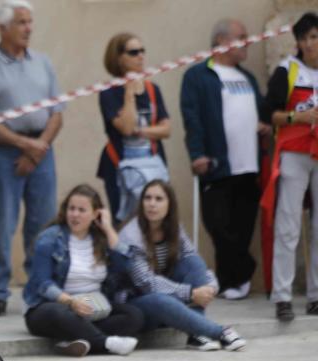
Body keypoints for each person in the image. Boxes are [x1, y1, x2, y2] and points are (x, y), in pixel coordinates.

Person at [0, 0, 64, 319]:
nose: (28, 28)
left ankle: (41, 288)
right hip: (3, 153)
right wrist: (26, 145)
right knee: (2, 224)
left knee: (43, 222)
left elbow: (56, 113)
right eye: (21, 22)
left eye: (29, 22)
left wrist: (38, 148)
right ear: (3, 28)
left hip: (42, 151)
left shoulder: (43, 63)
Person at [180, 19, 265, 301]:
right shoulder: (198, 76)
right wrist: (197, 153)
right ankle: (240, 272)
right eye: (242, 37)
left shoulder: (248, 78)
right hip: (217, 165)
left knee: (243, 225)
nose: (248, 41)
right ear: (223, 41)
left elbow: (261, 111)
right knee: (218, 224)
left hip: (249, 165)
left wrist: (265, 126)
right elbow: (192, 118)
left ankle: (233, 281)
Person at [119, 180, 246, 351]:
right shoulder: (131, 236)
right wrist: (191, 294)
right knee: (161, 300)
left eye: (158, 199)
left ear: (169, 205)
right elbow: (146, 283)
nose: (152, 204)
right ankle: (220, 332)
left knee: (193, 263)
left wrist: (209, 287)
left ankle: (196, 335)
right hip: (137, 304)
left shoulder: (173, 228)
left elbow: (193, 259)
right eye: (147, 198)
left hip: (169, 297)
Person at [23, 184, 143, 356]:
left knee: (134, 315)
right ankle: (106, 343)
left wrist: (108, 229)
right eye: (71, 208)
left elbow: (126, 265)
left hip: (92, 308)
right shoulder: (49, 239)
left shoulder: (100, 239)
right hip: (51, 308)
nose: (75, 214)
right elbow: (42, 283)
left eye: (81, 210)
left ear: (96, 214)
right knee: (60, 313)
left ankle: (74, 341)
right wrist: (71, 302)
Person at [260, 12, 318, 322]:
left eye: (314, 37)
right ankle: (282, 297)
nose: (310, 44)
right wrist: (300, 118)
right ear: (297, 42)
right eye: (305, 38)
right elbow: (270, 114)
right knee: (288, 226)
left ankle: (316, 295)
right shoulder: (287, 70)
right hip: (294, 153)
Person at [97, 32, 171, 221]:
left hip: (152, 164)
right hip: (121, 167)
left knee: (155, 219)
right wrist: (129, 93)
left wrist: (141, 131)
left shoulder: (153, 90)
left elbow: (166, 129)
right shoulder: (109, 93)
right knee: (125, 222)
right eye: (133, 52)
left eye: (142, 51)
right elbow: (126, 129)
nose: (140, 56)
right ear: (118, 58)